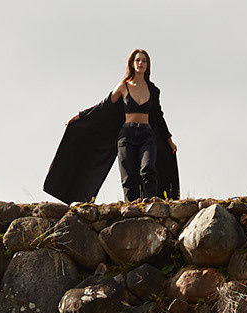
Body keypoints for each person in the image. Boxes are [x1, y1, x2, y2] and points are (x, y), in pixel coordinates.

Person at [43, 48, 181, 203]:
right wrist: (80, 116)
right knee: (128, 175)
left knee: (148, 168)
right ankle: (131, 206)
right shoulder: (123, 87)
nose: (141, 63)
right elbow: (104, 106)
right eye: (137, 60)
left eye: (144, 61)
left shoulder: (153, 90)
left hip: (147, 135)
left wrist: (169, 140)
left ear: (148, 65)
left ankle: (151, 203)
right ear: (132, 63)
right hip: (127, 135)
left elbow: (159, 117)